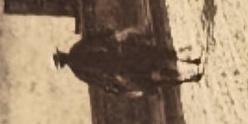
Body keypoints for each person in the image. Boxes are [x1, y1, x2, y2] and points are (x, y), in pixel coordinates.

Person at [52, 29, 194, 95]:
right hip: (117, 58)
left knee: (146, 80)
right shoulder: (76, 52)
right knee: (147, 54)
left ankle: (181, 75)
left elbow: (98, 82)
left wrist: (113, 86)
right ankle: (179, 61)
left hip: (116, 71)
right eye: (61, 57)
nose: (63, 56)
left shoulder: (77, 72)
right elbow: (97, 41)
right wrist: (111, 36)